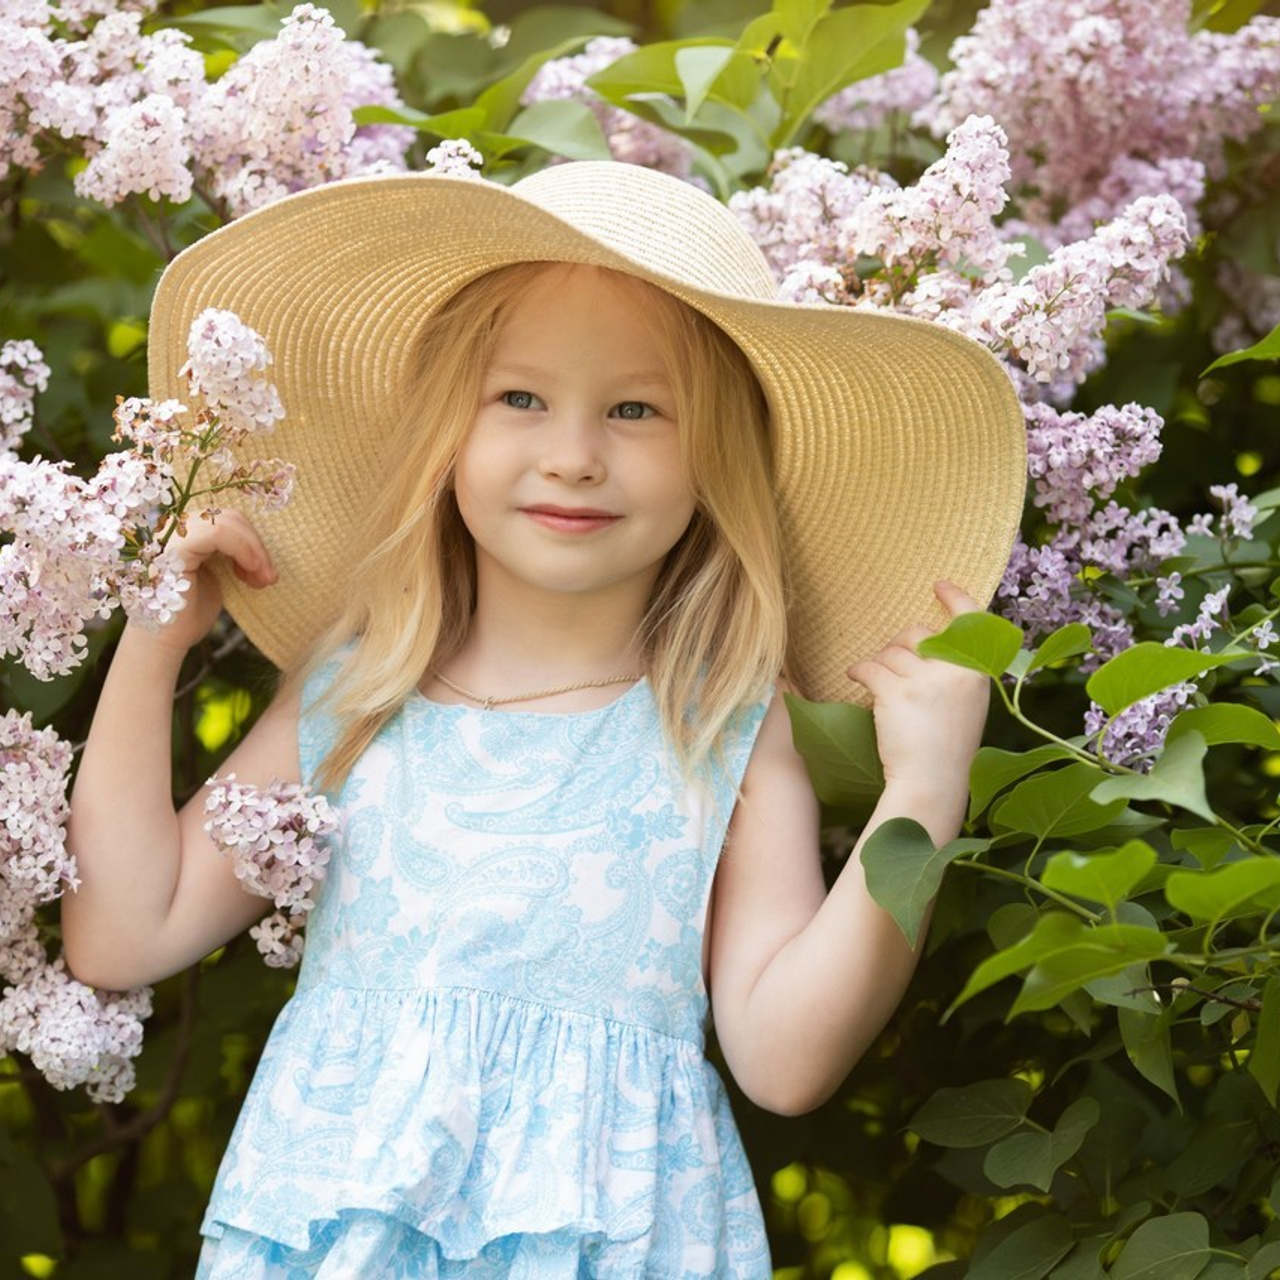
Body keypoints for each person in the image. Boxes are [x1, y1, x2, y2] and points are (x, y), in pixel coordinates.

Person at [62, 160, 1026, 1277]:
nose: (573, 455)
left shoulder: (720, 726)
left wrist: (922, 794)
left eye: (635, 409)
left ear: (716, 458)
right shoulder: (355, 695)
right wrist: (152, 641)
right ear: (448, 433)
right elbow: (123, 932)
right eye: (520, 398)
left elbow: (783, 1059)